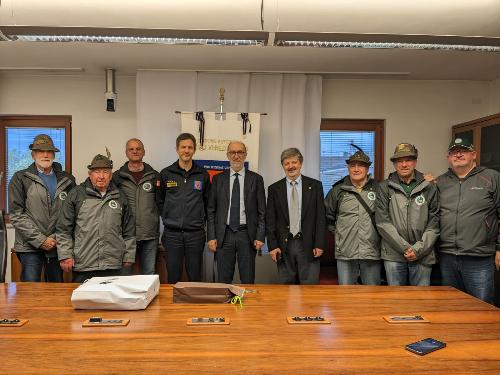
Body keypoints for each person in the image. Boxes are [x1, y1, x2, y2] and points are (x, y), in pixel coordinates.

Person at [436, 138, 500, 304]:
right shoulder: (440, 182)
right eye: (454, 152)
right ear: (448, 157)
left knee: (481, 307)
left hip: (478, 257)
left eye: (463, 151)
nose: (458, 154)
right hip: (447, 256)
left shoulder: (491, 178)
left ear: (474, 154)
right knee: (451, 306)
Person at [56, 153, 135, 283]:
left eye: (105, 172)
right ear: (90, 174)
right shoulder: (76, 194)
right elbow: (63, 228)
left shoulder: (120, 196)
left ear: (111, 175)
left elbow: (129, 230)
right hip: (85, 264)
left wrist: (129, 255)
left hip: (114, 264)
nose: (101, 176)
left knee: (113, 302)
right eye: (97, 172)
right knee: (83, 301)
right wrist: (65, 255)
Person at [9, 134, 76, 282]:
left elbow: (72, 214)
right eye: (40, 151)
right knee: (30, 292)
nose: (45, 155)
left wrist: (54, 238)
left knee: (55, 292)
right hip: (29, 247)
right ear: (33, 154)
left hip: (57, 245)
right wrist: (40, 240)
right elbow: (16, 215)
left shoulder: (68, 179)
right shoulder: (20, 178)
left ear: (54, 154)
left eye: (49, 151)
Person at [375, 143, 439, 286]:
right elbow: (382, 222)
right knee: (397, 301)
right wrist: (406, 248)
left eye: (408, 160)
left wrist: (418, 249)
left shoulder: (429, 186)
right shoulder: (384, 187)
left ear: (415, 162)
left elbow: (434, 222)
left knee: (421, 301)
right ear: (394, 164)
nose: (404, 164)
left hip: (423, 254)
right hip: (393, 254)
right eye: (399, 161)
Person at [207, 140, 266, 284]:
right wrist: (211, 236)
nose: (236, 156)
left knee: (247, 278)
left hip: (247, 235)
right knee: (224, 279)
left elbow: (262, 212)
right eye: (232, 152)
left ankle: (248, 307)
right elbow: (211, 210)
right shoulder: (217, 179)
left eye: (240, 152)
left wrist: (260, 236)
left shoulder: (256, 179)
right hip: (224, 235)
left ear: (245, 155)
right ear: (227, 155)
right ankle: (225, 307)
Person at [266, 147, 326, 284]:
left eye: (294, 162)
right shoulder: (274, 189)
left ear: (300, 163)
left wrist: (319, 244)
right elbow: (270, 220)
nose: (291, 166)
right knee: (287, 291)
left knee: (309, 289)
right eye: (287, 163)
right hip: (283, 246)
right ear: (283, 166)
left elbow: (320, 218)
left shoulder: (315, 186)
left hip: (309, 245)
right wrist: (272, 245)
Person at [159, 133, 210, 283]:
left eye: (190, 147)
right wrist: (168, 217)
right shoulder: (166, 173)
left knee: (195, 276)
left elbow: (208, 203)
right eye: (183, 147)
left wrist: (199, 219)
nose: (186, 150)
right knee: (173, 277)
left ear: (194, 150)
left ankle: (195, 307)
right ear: (177, 149)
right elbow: (159, 200)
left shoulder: (202, 174)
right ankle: (172, 307)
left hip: (195, 235)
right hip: (172, 235)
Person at [324, 151, 381, 285]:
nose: (356, 169)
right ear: (348, 168)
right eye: (352, 165)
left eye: (360, 166)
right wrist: (339, 234)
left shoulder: (379, 188)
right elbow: (327, 217)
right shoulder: (337, 190)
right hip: (345, 252)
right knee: (346, 297)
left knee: (373, 296)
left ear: (367, 169)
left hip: (371, 251)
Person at [113, 138, 161, 275]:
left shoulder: (154, 176)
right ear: (126, 152)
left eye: (138, 148)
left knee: (149, 274)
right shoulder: (117, 177)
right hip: (125, 235)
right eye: (131, 149)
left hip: (150, 235)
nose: (135, 151)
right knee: (123, 275)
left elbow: (160, 203)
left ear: (144, 152)